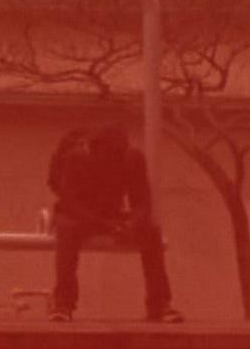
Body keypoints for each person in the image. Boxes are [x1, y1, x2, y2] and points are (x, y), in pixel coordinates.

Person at [48, 114, 179, 323]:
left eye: (118, 154)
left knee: (151, 232)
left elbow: (142, 201)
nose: (114, 159)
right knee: (67, 230)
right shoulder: (76, 158)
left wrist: (132, 223)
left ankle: (159, 303)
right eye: (110, 154)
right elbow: (71, 204)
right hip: (79, 215)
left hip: (111, 215)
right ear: (96, 148)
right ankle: (64, 303)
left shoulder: (132, 159)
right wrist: (108, 225)